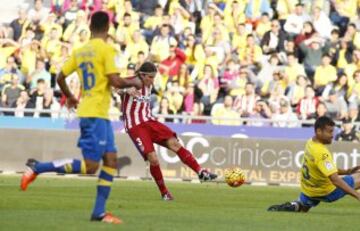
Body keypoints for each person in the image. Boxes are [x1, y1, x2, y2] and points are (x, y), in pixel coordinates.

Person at [20, 11, 142, 224]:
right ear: (108, 28)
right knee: (91, 166)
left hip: (99, 114)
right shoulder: (106, 50)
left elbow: (60, 77)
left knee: (111, 160)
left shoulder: (80, 51)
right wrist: (136, 82)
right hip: (93, 114)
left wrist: (69, 96)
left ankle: (99, 212)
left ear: (91, 25)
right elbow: (115, 81)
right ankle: (37, 167)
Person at [119, 62, 217, 201]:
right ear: (142, 75)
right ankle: (164, 193)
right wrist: (125, 91)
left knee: (175, 143)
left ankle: (201, 172)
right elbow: (115, 88)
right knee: (153, 158)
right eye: (151, 77)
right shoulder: (129, 81)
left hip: (150, 121)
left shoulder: (149, 85)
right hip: (135, 125)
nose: (153, 81)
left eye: (154, 77)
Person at [268, 116, 360, 212]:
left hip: (309, 190)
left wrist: (347, 171)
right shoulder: (321, 153)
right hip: (328, 191)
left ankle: (295, 205)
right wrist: (357, 195)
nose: (332, 135)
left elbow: (326, 168)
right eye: (329, 132)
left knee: (302, 208)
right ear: (319, 131)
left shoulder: (310, 142)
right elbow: (335, 180)